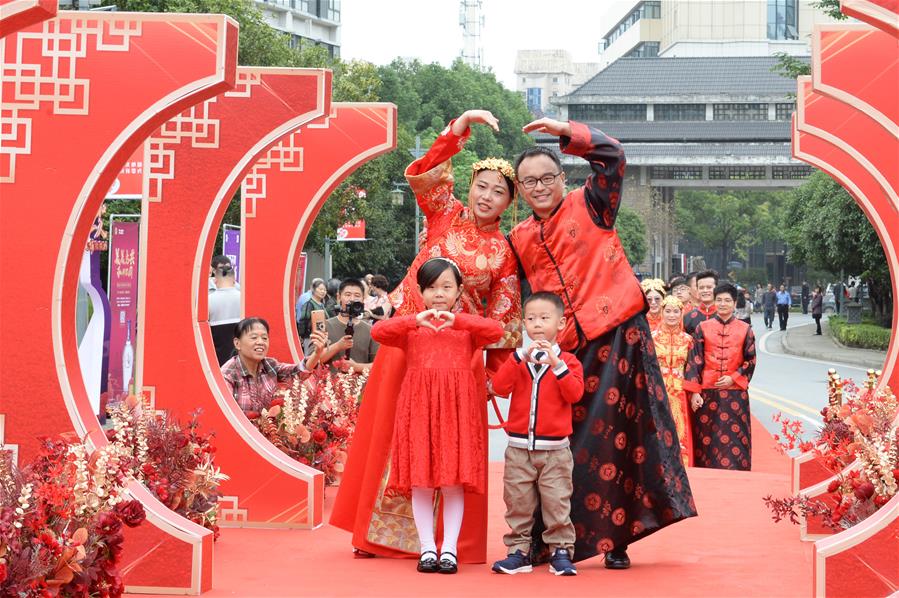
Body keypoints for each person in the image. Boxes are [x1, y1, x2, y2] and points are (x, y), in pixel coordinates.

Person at [331, 109, 522, 565]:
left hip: (458, 357)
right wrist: (460, 126)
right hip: (407, 342)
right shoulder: (445, 215)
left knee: (451, 452)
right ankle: (379, 536)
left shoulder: (504, 252)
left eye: (499, 192)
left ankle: (451, 546)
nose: (487, 196)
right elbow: (425, 171)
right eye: (481, 186)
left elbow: (504, 316)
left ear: (508, 203)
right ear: (470, 188)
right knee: (392, 437)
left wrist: (495, 371)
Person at [508, 117, 695, 569]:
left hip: (620, 336)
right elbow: (520, 299)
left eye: (547, 177)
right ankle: (551, 539)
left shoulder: (590, 202)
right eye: (528, 181)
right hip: (566, 350)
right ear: (519, 187)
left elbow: (613, 157)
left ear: (561, 177)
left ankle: (618, 540)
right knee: (566, 444)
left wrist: (565, 131)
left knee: (623, 439)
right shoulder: (518, 238)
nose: (539, 187)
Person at [369, 258, 503, 574]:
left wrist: (459, 322)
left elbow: (497, 330)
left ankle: (450, 550)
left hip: (457, 409)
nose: (439, 294)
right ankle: (428, 548)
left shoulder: (466, 327)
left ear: (459, 291)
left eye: (446, 287)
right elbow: (378, 331)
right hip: (418, 406)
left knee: (453, 481)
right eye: (431, 287)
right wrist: (415, 319)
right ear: (420, 291)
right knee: (421, 481)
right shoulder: (412, 328)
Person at [489, 292, 584, 577]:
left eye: (545, 318)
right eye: (530, 319)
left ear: (561, 323)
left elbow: (575, 394)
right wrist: (517, 357)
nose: (537, 324)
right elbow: (499, 387)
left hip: (555, 451)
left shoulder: (568, 361)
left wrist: (557, 365)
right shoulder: (518, 360)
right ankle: (519, 551)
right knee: (517, 502)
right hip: (518, 448)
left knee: (557, 502)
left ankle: (561, 550)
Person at [684, 283, 756, 470]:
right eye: (719, 300)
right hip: (707, 391)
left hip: (735, 393)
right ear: (714, 302)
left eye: (727, 300)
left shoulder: (745, 329)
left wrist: (734, 377)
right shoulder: (702, 327)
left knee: (734, 436)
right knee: (707, 435)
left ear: (734, 304)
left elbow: (751, 360)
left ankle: (736, 469)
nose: (723, 304)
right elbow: (694, 361)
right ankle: (705, 469)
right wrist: (695, 392)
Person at [221, 317, 327, 415]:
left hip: (269, 431)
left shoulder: (269, 365)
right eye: (254, 338)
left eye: (264, 338)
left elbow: (298, 373)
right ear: (237, 343)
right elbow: (226, 414)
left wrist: (317, 353)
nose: (260, 342)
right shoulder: (228, 374)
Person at [651, 295, 695, 468]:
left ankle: (681, 465)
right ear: (662, 313)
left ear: (681, 313)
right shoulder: (652, 338)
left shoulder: (688, 340)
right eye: (668, 311)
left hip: (680, 391)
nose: (671, 315)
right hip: (658, 390)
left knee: (680, 427)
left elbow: (692, 369)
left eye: (676, 311)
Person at [314, 279, 379, 374]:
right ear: (339, 297)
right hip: (329, 386)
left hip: (359, 387)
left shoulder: (371, 330)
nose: (352, 299)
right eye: (348, 295)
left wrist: (356, 367)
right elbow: (312, 361)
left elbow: (378, 365)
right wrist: (337, 346)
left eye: (357, 295)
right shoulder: (324, 326)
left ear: (363, 300)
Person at [209, 256, 242, 365]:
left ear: (216, 280)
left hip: (216, 355)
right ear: (233, 279)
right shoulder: (244, 298)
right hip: (240, 353)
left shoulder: (207, 300)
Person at [683, 270, 718, 336]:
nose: (705, 291)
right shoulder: (688, 318)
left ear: (717, 288)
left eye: (709, 287)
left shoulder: (724, 315)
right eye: (701, 288)